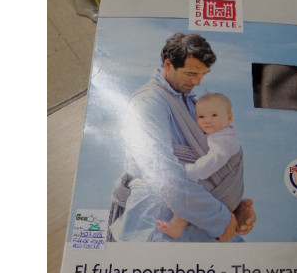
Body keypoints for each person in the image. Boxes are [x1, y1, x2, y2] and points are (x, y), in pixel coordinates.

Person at [109, 33, 256, 242]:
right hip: (157, 222)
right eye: (191, 73)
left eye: (203, 74)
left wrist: (232, 206)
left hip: (201, 220)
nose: (197, 81)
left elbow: (213, 162)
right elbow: (161, 172)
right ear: (168, 65)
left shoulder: (194, 104)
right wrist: (220, 219)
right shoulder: (148, 103)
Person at [157, 93, 241, 239]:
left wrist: (192, 172)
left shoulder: (225, 140)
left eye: (214, 115)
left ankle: (177, 225)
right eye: (201, 117)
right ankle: (177, 225)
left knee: (189, 197)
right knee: (187, 201)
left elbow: (214, 160)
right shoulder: (219, 134)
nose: (207, 120)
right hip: (223, 195)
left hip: (222, 194)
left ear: (229, 118)